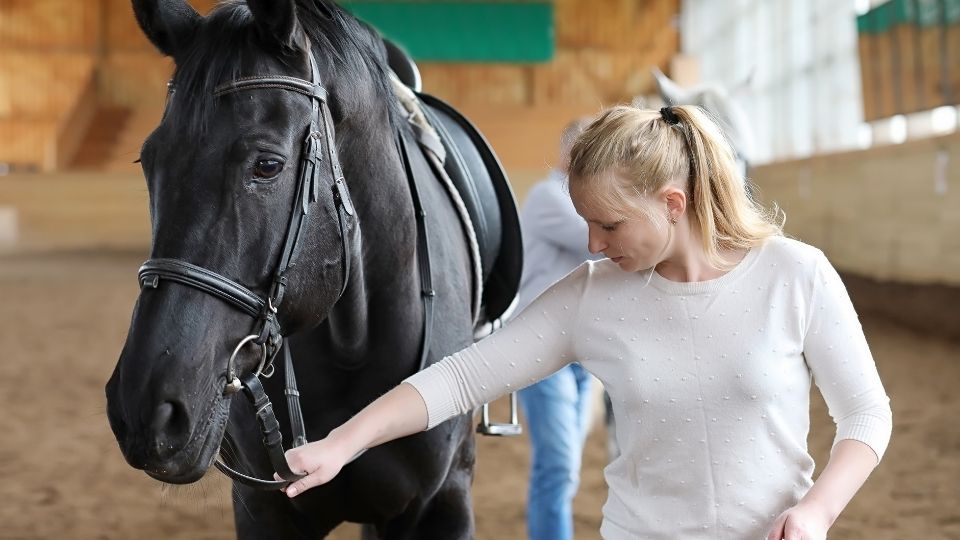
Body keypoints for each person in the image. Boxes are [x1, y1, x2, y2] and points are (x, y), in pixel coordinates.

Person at [280, 104, 893, 540]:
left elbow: (866, 414)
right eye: (586, 225)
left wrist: (816, 512)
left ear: (672, 204)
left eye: (610, 224)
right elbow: (461, 378)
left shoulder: (794, 274)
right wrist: (343, 444)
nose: (594, 244)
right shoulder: (592, 297)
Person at [515, 117, 597, 540]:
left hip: (580, 352)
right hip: (544, 351)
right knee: (560, 466)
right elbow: (598, 241)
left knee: (565, 468)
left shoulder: (583, 200)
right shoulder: (550, 197)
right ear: (568, 154)